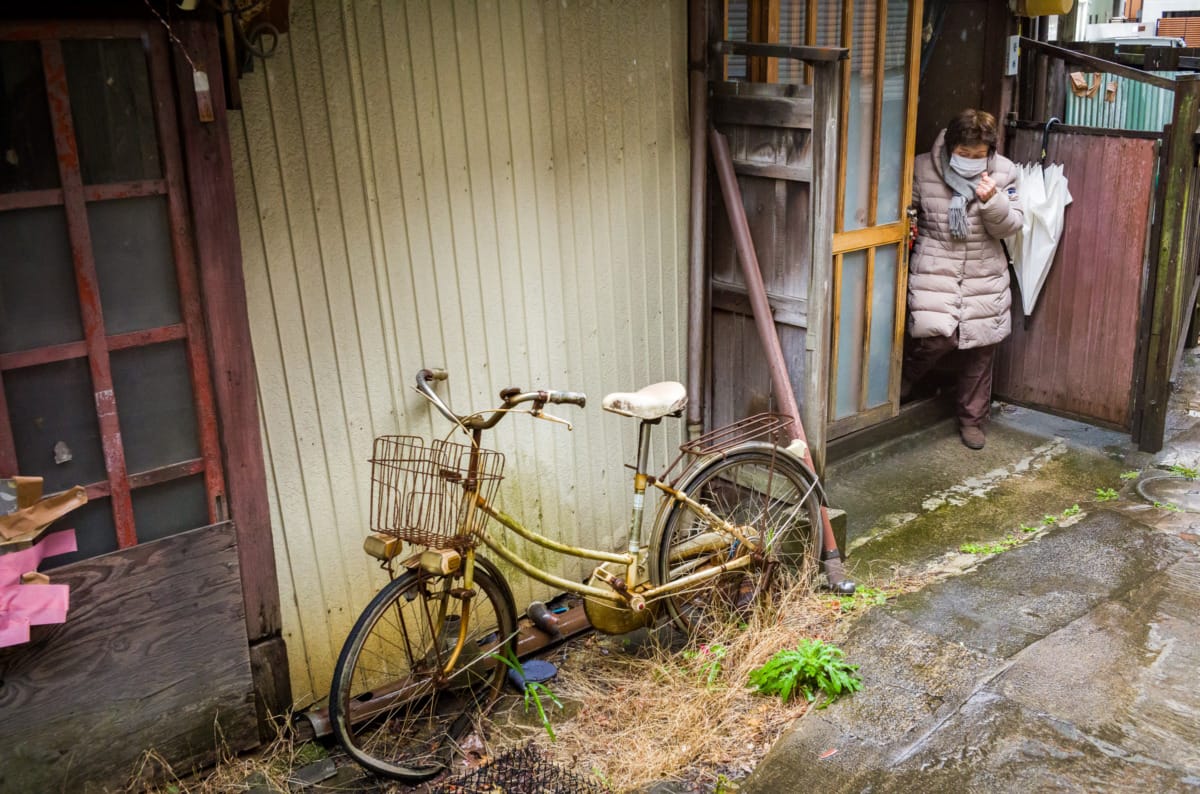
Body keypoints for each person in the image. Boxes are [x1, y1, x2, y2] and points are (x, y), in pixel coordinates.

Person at [901, 109, 1024, 450]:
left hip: (985, 271)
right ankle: (908, 376)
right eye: (964, 154)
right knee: (938, 336)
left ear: (991, 152)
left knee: (982, 348)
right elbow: (906, 211)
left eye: (978, 156)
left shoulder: (1005, 172)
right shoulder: (922, 167)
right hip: (936, 267)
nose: (971, 161)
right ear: (951, 146)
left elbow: (1012, 225)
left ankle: (972, 420)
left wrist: (992, 201)